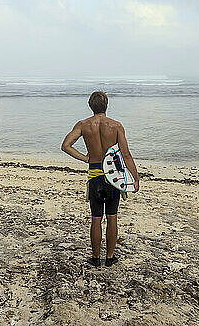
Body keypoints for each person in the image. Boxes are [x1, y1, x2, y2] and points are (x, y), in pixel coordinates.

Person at [61, 91, 139, 267]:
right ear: (107, 105)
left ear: (90, 105)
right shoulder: (116, 126)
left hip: (95, 176)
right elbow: (126, 155)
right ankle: (110, 258)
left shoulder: (83, 125)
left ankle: (95, 258)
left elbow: (65, 146)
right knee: (112, 217)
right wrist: (135, 177)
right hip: (113, 178)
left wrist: (85, 158)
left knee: (96, 218)